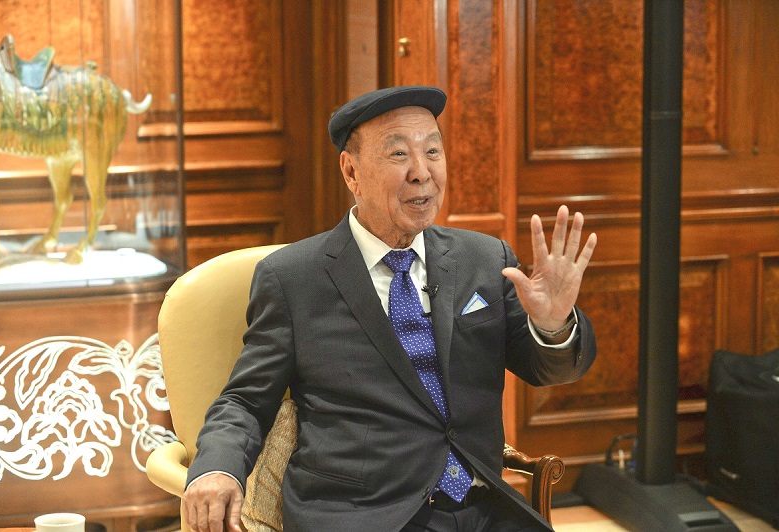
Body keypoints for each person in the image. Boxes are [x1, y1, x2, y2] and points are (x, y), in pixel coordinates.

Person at [182, 85, 598, 532]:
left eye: (432, 151)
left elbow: (548, 368)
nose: (422, 173)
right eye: (399, 154)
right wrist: (216, 468)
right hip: (367, 515)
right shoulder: (294, 279)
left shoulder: (484, 259)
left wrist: (553, 326)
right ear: (351, 172)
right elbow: (245, 399)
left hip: (484, 509)